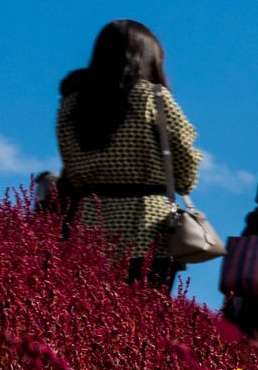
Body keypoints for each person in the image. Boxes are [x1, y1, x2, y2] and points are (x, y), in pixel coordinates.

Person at [51, 20, 206, 287]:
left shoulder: (71, 105)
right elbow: (185, 165)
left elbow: (70, 167)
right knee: (143, 305)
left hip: (88, 221)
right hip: (148, 224)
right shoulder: (154, 98)